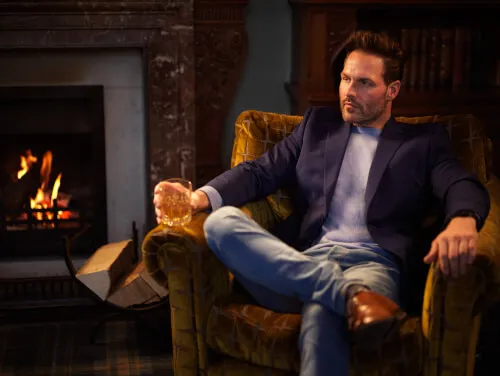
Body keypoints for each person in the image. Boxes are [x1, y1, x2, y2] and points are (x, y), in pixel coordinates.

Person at [153, 30, 490, 376]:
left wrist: (463, 219)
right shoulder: (317, 126)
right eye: (345, 79)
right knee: (220, 223)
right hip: (299, 262)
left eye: (364, 83)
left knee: (321, 310)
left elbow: (461, 183)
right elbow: (258, 173)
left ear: (392, 91)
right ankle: (349, 296)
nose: (348, 92)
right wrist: (197, 198)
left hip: (373, 267)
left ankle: (337, 295)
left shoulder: (423, 142)